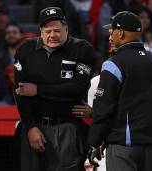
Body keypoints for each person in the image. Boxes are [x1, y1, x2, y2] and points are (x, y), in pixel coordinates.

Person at [14, 7, 97, 171]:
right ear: (40, 31)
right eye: (48, 31)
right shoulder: (25, 49)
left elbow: (76, 89)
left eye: (57, 30)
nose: (53, 35)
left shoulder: (82, 49)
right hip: (33, 127)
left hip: (66, 128)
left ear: (66, 29)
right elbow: (21, 93)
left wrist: (38, 90)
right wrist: (30, 127)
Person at [87, 11, 152, 171]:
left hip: (124, 147)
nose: (110, 37)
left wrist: (95, 142)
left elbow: (103, 108)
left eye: (111, 32)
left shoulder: (114, 64)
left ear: (121, 33)